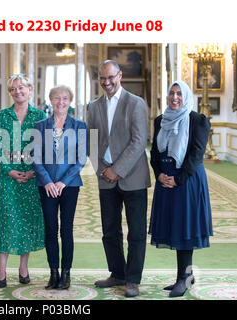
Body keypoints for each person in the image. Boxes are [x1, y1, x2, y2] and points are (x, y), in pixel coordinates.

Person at [87, 60, 151, 298]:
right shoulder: (93, 106)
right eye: (102, 79)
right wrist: (103, 169)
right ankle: (117, 273)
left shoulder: (135, 103)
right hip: (106, 178)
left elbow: (139, 141)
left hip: (133, 177)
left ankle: (132, 279)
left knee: (136, 232)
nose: (107, 82)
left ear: (120, 75)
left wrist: (118, 170)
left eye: (110, 77)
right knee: (109, 230)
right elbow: (91, 141)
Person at [149, 80, 212, 298]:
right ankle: (185, 275)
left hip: (188, 181)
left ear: (186, 97)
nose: (174, 97)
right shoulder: (160, 121)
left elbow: (196, 155)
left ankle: (183, 278)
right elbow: (154, 154)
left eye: (179, 94)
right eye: (171, 93)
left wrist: (178, 179)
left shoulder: (197, 121)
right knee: (173, 227)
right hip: (165, 180)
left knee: (185, 229)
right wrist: (159, 174)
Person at [0, 74, 45, 288]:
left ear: (30, 89)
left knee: (27, 221)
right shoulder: (2, 116)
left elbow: (44, 149)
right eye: (14, 89)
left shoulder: (40, 115)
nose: (18, 91)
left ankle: (24, 268)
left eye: (21, 87)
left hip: (32, 178)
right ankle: (1, 270)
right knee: (7, 222)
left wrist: (33, 172)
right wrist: (9, 170)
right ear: (10, 93)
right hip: (8, 178)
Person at [32, 85, 87, 290]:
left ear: (70, 101)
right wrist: (47, 181)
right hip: (46, 186)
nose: (60, 102)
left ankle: (66, 274)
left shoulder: (79, 126)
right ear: (51, 100)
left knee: (66, 229)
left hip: (69, 186)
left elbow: (81, 159)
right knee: (50, 229)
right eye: (56, 98)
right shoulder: (40, 126)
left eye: (64, 98)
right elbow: (36, 158)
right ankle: (53, 273)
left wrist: (62, 182)